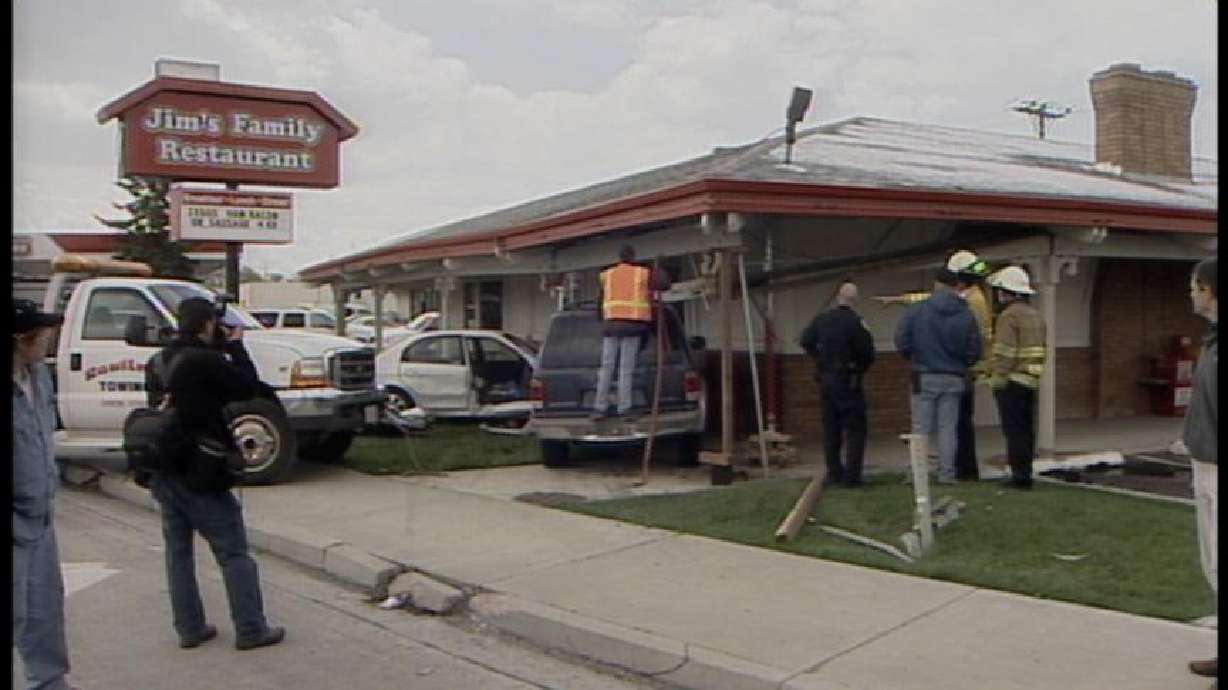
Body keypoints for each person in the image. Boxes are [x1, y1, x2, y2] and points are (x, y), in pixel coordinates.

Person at [143, 297, 285, 651]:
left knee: (178, 552)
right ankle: (251, 628)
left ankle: (189, 628)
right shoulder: (206, 360)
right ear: (208, 324)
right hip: (201, 468)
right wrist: (235, 347)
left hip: (164, 466)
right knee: (233, 551)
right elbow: (247, 388)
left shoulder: (161, 359)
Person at [13, 299, 81, 690]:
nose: (49, 341)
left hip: (40, 513)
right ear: (22, 340)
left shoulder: (39, 376)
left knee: (44, 607)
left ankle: (50, 681)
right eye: (43, 334)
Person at [893, 264, 982, 484]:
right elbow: (975, 349)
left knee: (921, 428)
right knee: (948, 428)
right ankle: (946, 474)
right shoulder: (966, 313)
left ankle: (918, 475)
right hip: (954, 376)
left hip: (924, 374)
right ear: (955, 286)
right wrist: (963, 364)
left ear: (936, 284)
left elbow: (902, 339)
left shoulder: (918, 310)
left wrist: (914, 357)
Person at [799, 280, 875, 487]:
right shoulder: (856, 323)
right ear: (854, 300)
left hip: (826, 378)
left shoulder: (822, 319)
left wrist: (819, 358)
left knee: (831, 427)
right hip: (848, 380)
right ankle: (852, 477)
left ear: (837, 297)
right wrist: (859, 368)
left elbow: (805, 340)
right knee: (855, 428)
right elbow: (868, 352)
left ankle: (834, 472)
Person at [1183, 256, 1217, 683]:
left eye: (1194, 286)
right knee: (1213, 563)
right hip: (1205, 462)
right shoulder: (1212, 341)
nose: (1191, 293)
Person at [591, 245, 670, 420]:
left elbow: (600, 302)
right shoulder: (642, 273)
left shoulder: (608, 275)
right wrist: (659, 267)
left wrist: (602, 322)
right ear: (633, 257)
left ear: (619, 258)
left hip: (610, 326)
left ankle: (599, 408)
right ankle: (624, 408)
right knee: (625, 369)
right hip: (632, 326)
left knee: (606, 367)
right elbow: (664, 285)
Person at [985, 266, 1047, 490]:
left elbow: (1004, 351)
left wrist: (996, 378)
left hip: (1011, 382)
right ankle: (1025, 473)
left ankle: (1019, 478)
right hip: (1030, 381)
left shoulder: (1009, 316)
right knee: (1026, 431)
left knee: (1013, 432)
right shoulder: (1035, 315)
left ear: (1005, 292)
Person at [945, 250, 994, 481]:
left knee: (960, 421)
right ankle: (964, 467)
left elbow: (971, 338)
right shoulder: (976, 298)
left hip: (965, 369)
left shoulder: (971, 302)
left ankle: (965, 469)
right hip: (970, 368)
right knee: (961, 420)